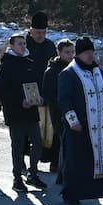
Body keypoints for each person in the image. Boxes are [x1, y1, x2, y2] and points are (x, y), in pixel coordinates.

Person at [55, 38, 103, 205]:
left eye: (92, 52)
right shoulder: (69, 73)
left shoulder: (98, 72)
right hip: (79, 127)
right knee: (78, 161)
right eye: (86, 53)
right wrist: (73, 120)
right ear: (78, 54)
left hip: (100, 125)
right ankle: (72, 193)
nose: (90, 56)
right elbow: (64, 99)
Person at [0, 33, 46, 191]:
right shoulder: (5, 65)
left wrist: (40, 98)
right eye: (19, 44)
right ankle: (17, 179)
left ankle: (33, 174)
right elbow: (0, 91)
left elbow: (37, 83)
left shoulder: (30, 62)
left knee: (37, 143)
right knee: (18, 146)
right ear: (12, 46)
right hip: (15, 112)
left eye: (24, 43)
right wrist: (19, 101)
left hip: (31, 112)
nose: (23, 46)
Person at [39, 38, 76, 172]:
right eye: (67, 52)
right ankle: (56, 163)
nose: (70, 55)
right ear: (59, 52)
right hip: (56, 110)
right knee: (57, 137)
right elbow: (48, 92)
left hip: (72, 108)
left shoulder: (75, 68)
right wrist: (59, 103)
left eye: (72, 52)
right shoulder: (52, 71)